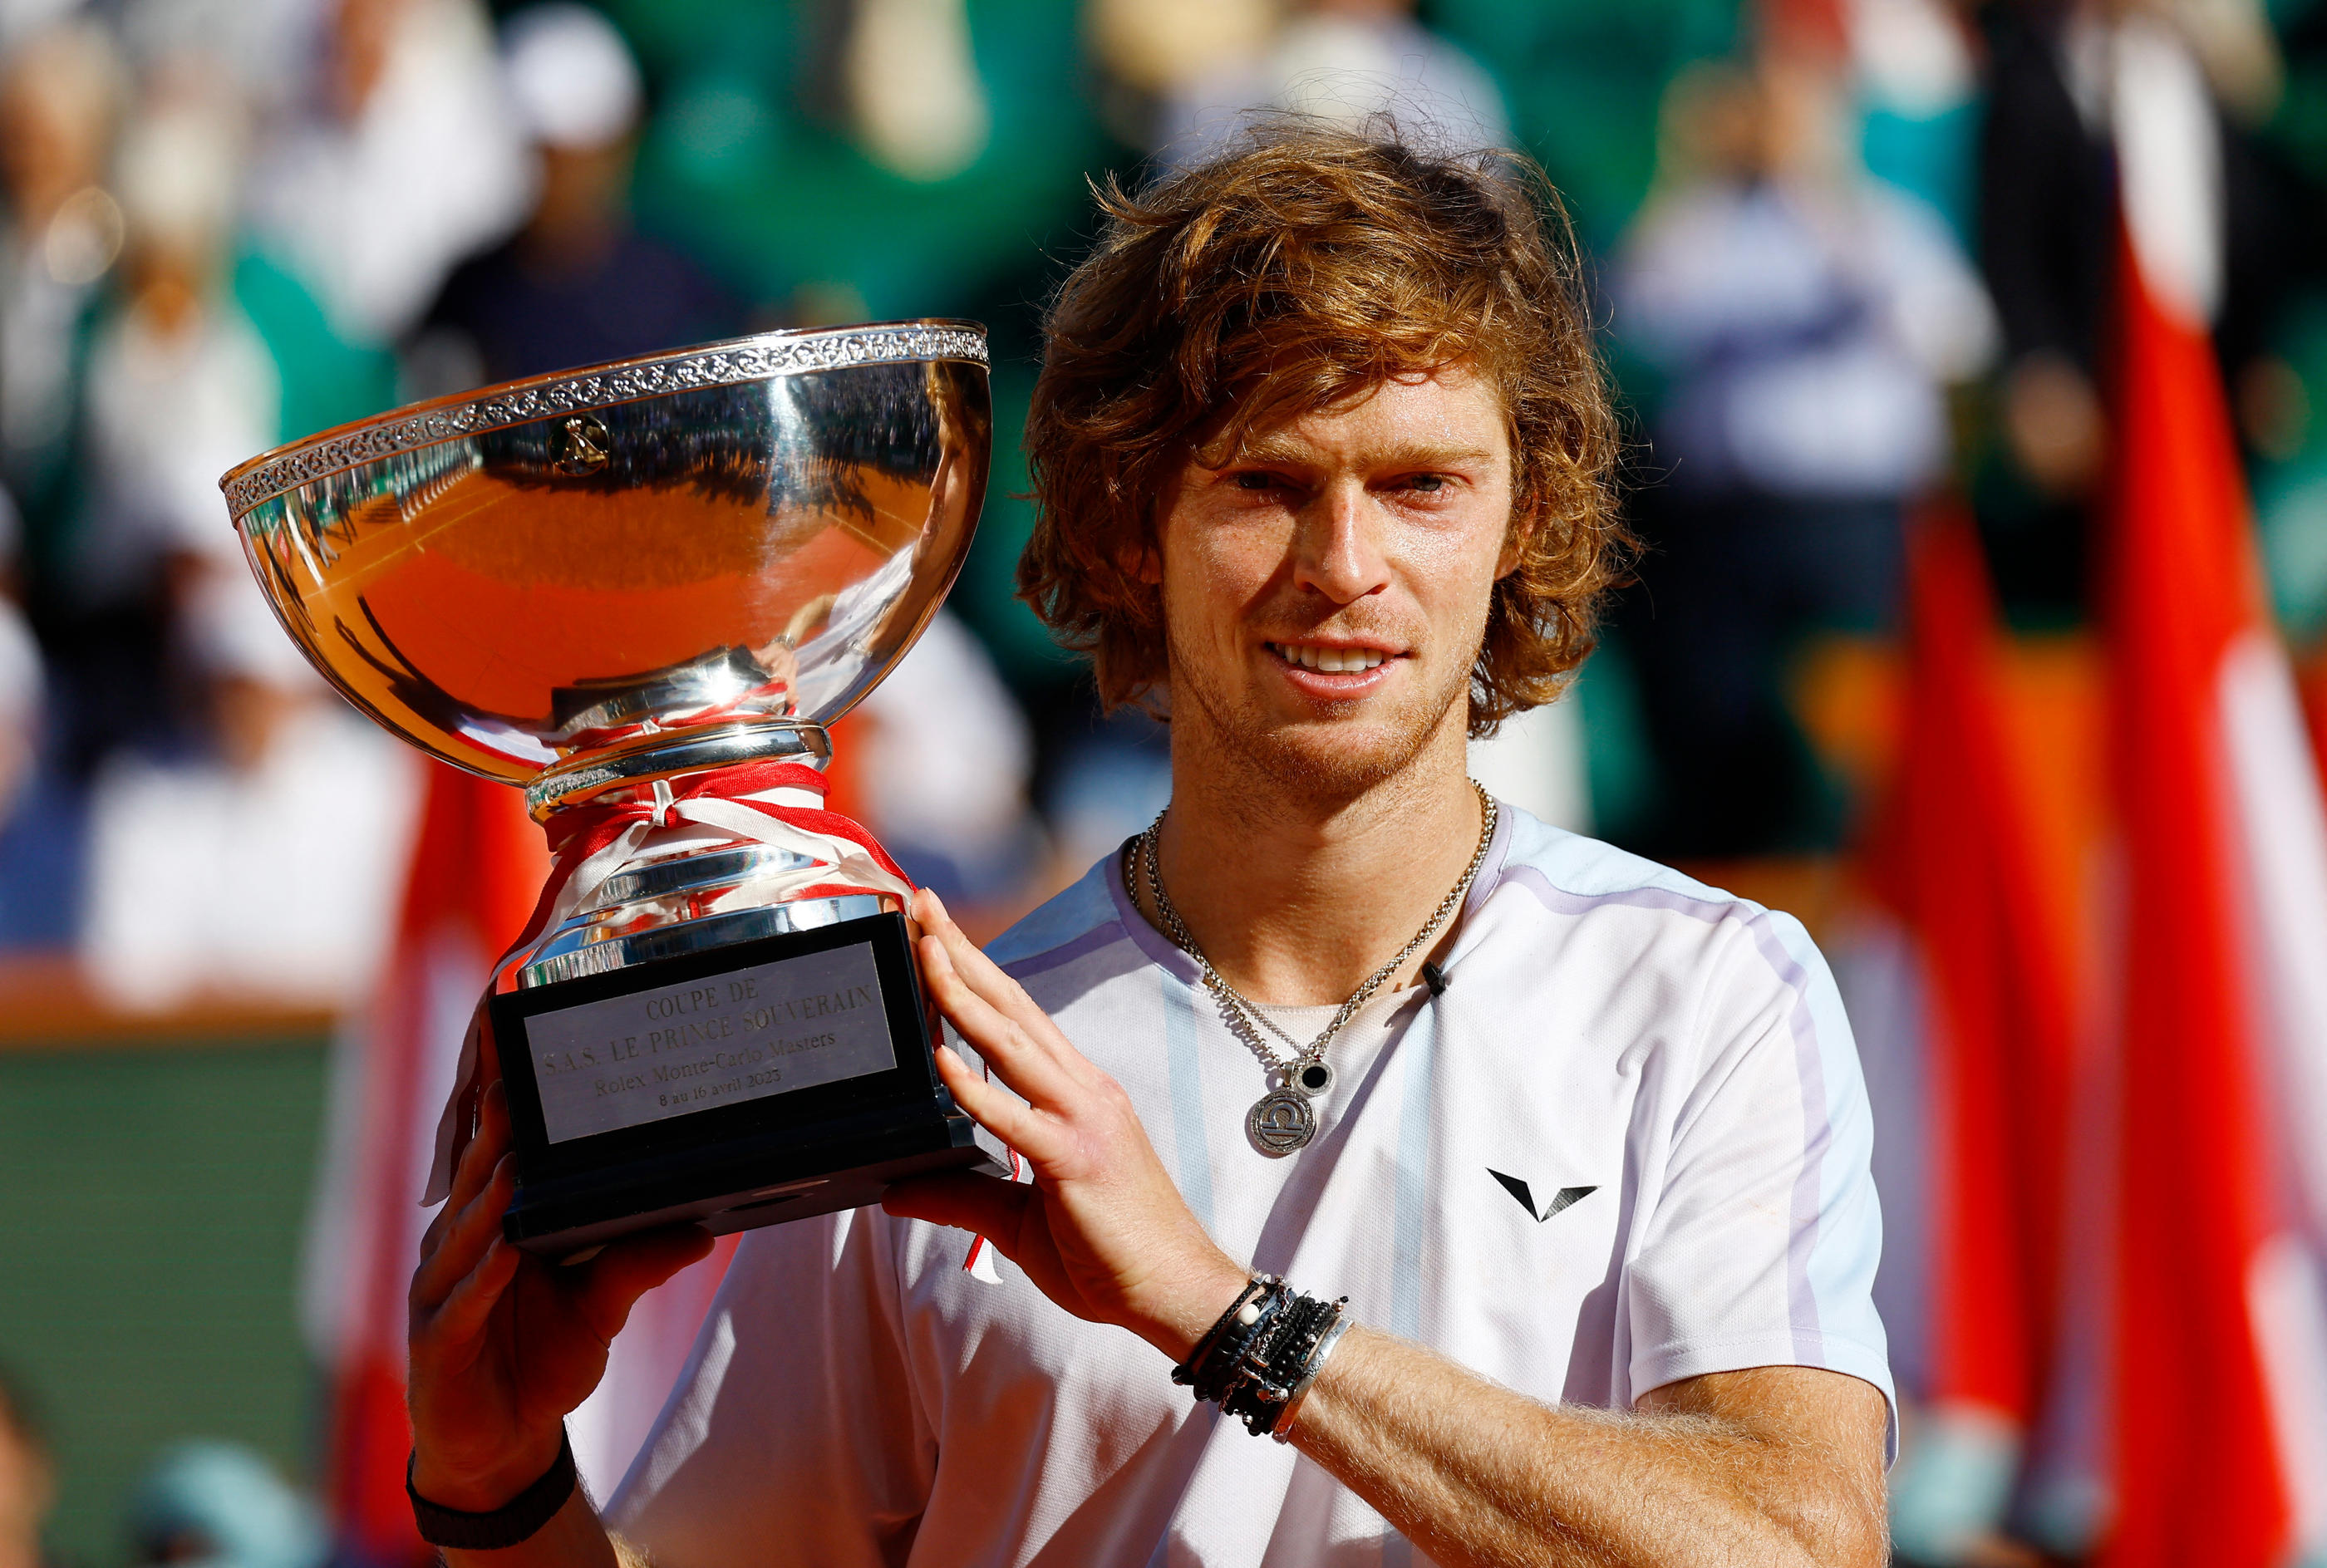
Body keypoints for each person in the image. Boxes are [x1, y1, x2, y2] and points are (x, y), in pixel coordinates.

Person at [407, 125, 1892, 1566]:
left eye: (1421, 483)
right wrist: (496, 1491)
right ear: (1130, 528)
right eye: (1266, 483)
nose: (1346, 567)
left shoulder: (1706, 991)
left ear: (1525, 515)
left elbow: (1798, 1546)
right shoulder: (938, 1059)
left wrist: (1224, 1314)